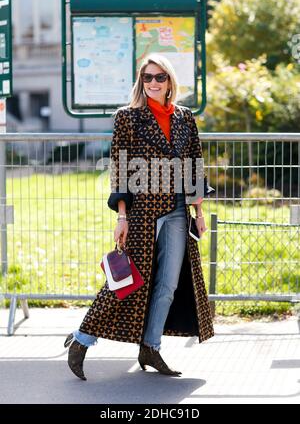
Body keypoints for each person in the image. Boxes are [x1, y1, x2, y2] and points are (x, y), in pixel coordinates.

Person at [64, 53, 215, 380]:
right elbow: (118, 170)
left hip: (177, 211)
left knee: (168, 286)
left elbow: (194, 164)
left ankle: (151, 346)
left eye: (160, 77)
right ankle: (82, 340)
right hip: (141, 212)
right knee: (126, 282)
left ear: (170, 81)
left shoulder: (185, 118)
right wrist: (122, 216)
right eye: (147, 77)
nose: (153, 83)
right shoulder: (127, 117)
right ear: (140, 81)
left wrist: (199, 211)